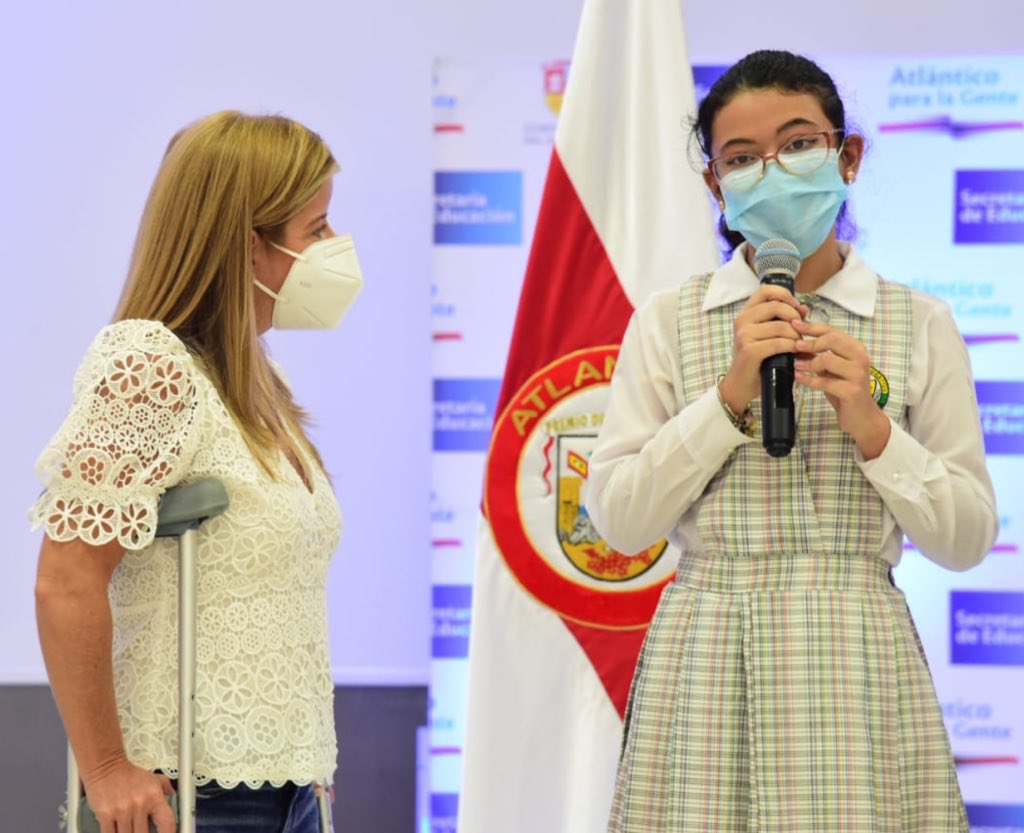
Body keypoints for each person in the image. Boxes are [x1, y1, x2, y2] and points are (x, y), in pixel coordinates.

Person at [584, 50, 997, 832]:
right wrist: (728, 396)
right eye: (741, 159)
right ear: (716, 186)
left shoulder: (918, 323)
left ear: (847, 156)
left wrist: (875, 426)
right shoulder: (671, 321)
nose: (771, 171)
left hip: (857, 653)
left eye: (799, 144)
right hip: (706, 651)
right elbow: (619, 520)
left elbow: (969, 534)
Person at [32, 111, 363, 833]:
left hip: (294, 790)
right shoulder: (148, 363)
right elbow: (66, 577)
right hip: (194, 795)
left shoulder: (250, 380)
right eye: (317, 229)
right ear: (249, 244)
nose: (335, 248)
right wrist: (108, 771)